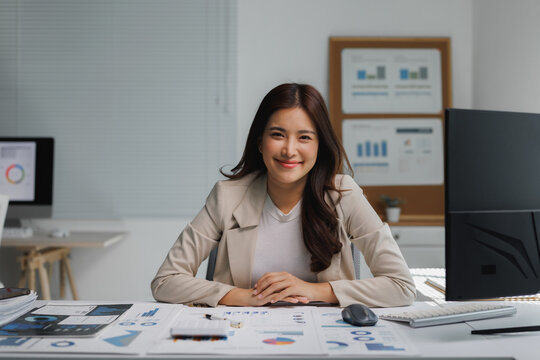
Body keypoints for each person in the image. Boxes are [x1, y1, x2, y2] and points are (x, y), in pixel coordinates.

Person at [151, 83, 416, 307]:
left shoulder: (344, 194)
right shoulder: (227, 196)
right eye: (277, 135)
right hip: (242, 337)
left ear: (319, 147)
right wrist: (245, 296)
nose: (289, 150)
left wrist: (313, 290)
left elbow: (401, 286)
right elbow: (165, 282)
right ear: (259, 142)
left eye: (304, 138)